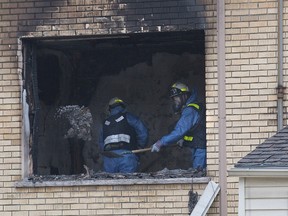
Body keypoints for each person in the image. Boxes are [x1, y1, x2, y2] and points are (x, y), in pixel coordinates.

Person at [151, 82, 206, 175]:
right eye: (173, 98)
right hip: (199, 147)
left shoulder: (190, 110)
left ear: (184, 95)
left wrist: (161, 142)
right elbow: (194, 129)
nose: (175, 100)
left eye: (176, 97)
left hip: (201, 149)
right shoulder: (194, 106)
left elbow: (179, 131)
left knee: (199, 176)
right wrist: (183, 140)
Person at [99, 97, 148, 173]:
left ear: (109, 109)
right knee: (127, 183)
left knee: (108, 182)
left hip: (109, 159)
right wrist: (140, 147)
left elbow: (101, 143)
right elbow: (143, 133)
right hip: (127, 156)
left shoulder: (104, 123)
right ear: (123, 106)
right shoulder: (129, 117)